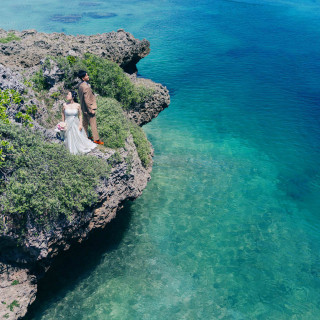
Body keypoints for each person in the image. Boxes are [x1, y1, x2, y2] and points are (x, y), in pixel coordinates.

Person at [62, 91, 96, 155]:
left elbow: (80, 115)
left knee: (78, 136)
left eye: (68, 94)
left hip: (75, 122)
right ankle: (70, 149)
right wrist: (63, 123)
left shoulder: (77, 105)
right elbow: (62, 114)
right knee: (69, 136)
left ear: (73, 97)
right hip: (68, 123)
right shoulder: (64, 105)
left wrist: (80, 124)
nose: (67, 96)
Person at [78, 70, 104, 145]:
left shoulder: (80, 85)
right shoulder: (86, 87)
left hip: (83, 108)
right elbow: (87, 99)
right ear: (83, 78)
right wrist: (91, 109)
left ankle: (85, 136)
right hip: (88, 109)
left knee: (85, 123)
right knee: (93, 124)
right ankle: (96, 139)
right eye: (86, 75)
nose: (88, 76)